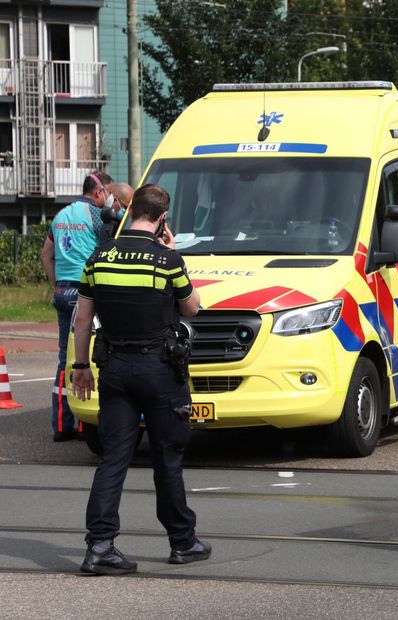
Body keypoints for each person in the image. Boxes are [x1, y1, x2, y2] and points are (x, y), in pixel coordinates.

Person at [70, 184, 210, 575]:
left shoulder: (100, 257)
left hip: (114, 368)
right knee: (167, 457)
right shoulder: (166, 259)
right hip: (160, 371)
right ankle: (182, 542)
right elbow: (193, 308)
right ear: (162, 218)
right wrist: (173, 252)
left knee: (113, 457)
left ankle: (99, 546)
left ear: (131, 211)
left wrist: (81, 368)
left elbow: (83, 320)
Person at [40, 170, 112, 442]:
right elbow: (106, 252)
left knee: (63, 359)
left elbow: (46, 255)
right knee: (88, 355)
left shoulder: (60, 216)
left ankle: (61, 424)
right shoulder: (96, 215)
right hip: (85, 293)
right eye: (109, 193)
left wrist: (56, 284)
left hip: (62, 290)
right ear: (98, 192)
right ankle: (85, 424)